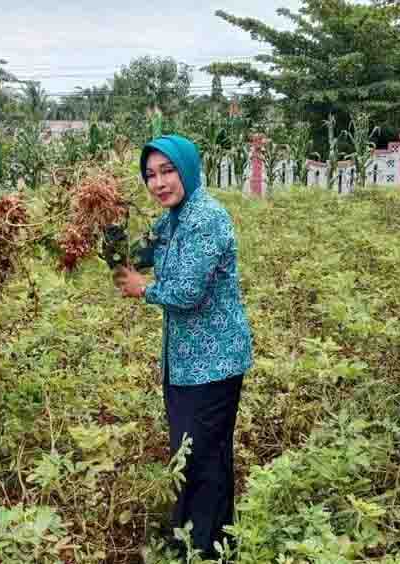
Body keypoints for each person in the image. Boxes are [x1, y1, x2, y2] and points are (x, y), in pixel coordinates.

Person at [114, 134, 253, 557]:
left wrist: (144, 289)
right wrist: (105, 232)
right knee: (192, 452)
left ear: (188, 170)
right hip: (184, 362)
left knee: (202, 458)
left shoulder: (204, 217)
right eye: (151, 175)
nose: (159, 183)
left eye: (168, 171)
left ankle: (205, 547)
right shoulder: (171, 219)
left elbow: (188, 291)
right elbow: (137, 254)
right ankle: (197, 534)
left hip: (213, 362)